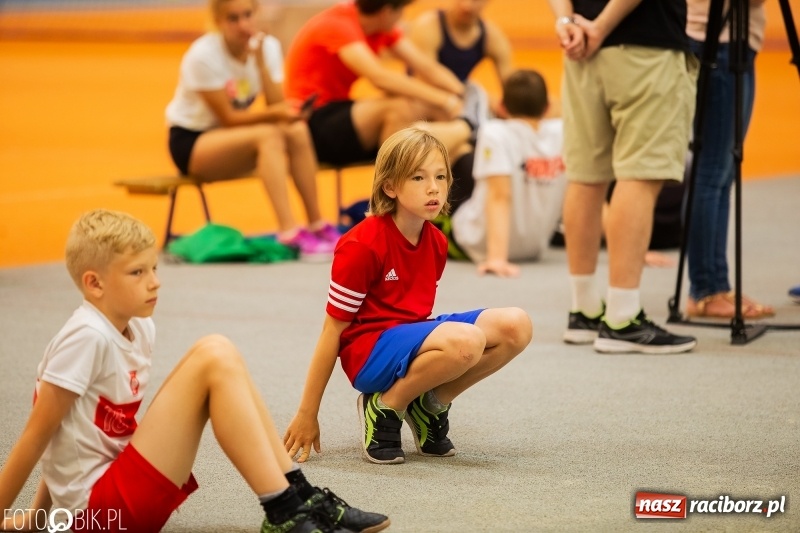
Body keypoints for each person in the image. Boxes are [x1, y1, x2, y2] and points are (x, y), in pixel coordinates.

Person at [0, 209, 389, 533]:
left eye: (153, 268)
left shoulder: (138, 326)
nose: (155, 282)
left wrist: (37, 520)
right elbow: (37, 437)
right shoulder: (85, 338)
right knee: (214, 354)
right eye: (137, 273)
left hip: (108, 500)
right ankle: (285, 508)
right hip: (102, 516)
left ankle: (298, 493)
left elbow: (69, 435)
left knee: (219, 353)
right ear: (94, 283)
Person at [282, 127, 532, 465]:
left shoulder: (437, 243)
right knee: (467, 341)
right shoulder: (361, 245)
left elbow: (415, 315)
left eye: (441, 177)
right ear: (390, 186)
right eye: (418, 177)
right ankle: (384, 405)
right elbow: (332, 331)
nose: (434, 188)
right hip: (369, 352)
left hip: (411, 335)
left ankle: (429, 405)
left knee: (517, 325)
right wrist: (307, 413)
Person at [546, 0, 699, 353]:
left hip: (581, 50)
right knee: (640, 176)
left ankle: (583, 310)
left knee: (586, 177)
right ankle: (623, 317)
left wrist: (567, 22)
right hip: (644, 46)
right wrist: (599, 26)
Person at [165, 0, 339, 261]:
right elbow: (229, 119)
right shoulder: (203, 55)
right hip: (193, 142)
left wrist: (261, 64)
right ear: (219, 22)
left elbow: (275, 105)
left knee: (296, 130)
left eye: (248, 15)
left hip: (235, 138)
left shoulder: (267, 47)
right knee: (269, 136)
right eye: (233, 19)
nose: (243, 25)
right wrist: (278, 114)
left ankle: (317, 224)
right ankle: (289, 232)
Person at [283, 0, 474, 168]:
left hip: (339, 110)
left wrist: (462, 93)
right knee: (399, 108)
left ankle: (447, 185)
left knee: (424, 108)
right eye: (400, 12)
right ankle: (391, 200)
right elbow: (380, 78)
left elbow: (426, 66)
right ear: (386, 12)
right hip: (310, 120)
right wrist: (444, 100)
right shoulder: (338, 25)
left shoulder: (380, 28)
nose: (401, 18)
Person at [684, 0, 775, 319]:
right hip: (716, 38)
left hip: (729, 38)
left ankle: (716, 286)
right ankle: (706, 290)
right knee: (712, 172)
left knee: (720, 173)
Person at [448, 69, 566, 278]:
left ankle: (468, 120)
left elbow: (499, 195)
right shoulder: (563, 132)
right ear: (547, 108)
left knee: (456, 152)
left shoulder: (495, 132)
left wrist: (496, 258)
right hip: (534, 247)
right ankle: (470, 119)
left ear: (501, 107)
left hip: (473, 242)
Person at [408, 0, 514, 124]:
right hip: (424, 98)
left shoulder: (492, 37)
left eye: (476, 1)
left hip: (460, 98)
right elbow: (425, 79)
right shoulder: (428, 26)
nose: (466, 6)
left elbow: (512, 89)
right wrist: (475, 96)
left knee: (503, 111)